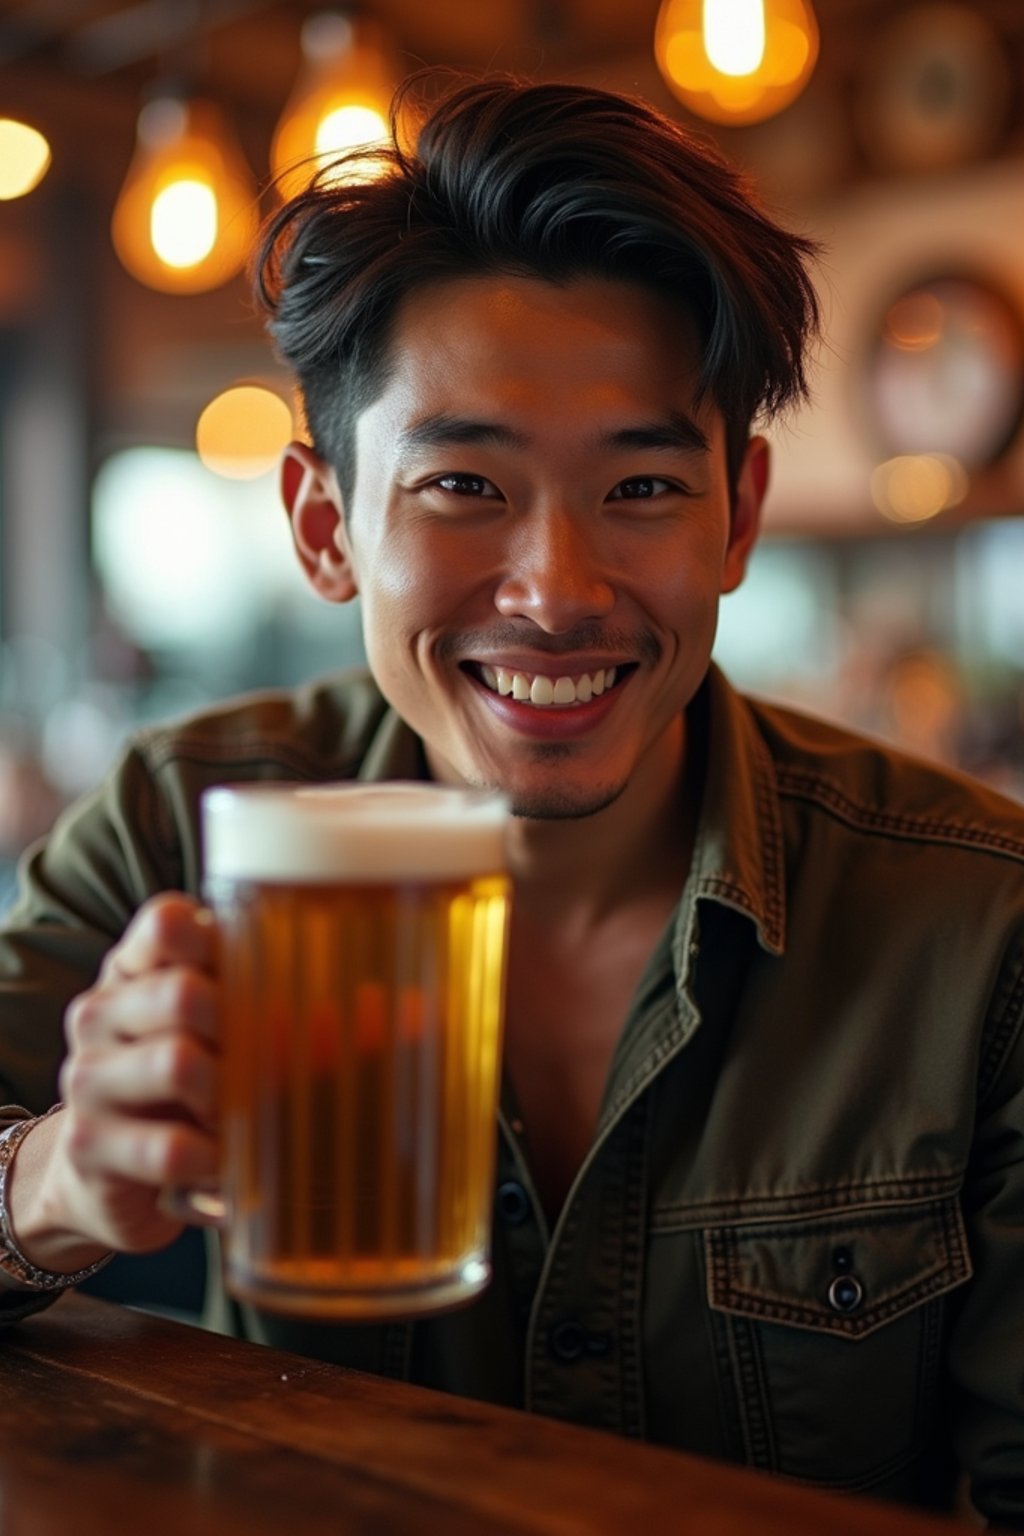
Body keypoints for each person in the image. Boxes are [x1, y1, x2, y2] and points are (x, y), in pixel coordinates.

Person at [1, 75, 1022, 1524]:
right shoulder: (194, 820)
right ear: (322, 524)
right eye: (464, 484)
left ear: (738, 516)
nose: (556, 592)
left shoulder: (977, 917)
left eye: (643, 490)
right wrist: (51, 1182)